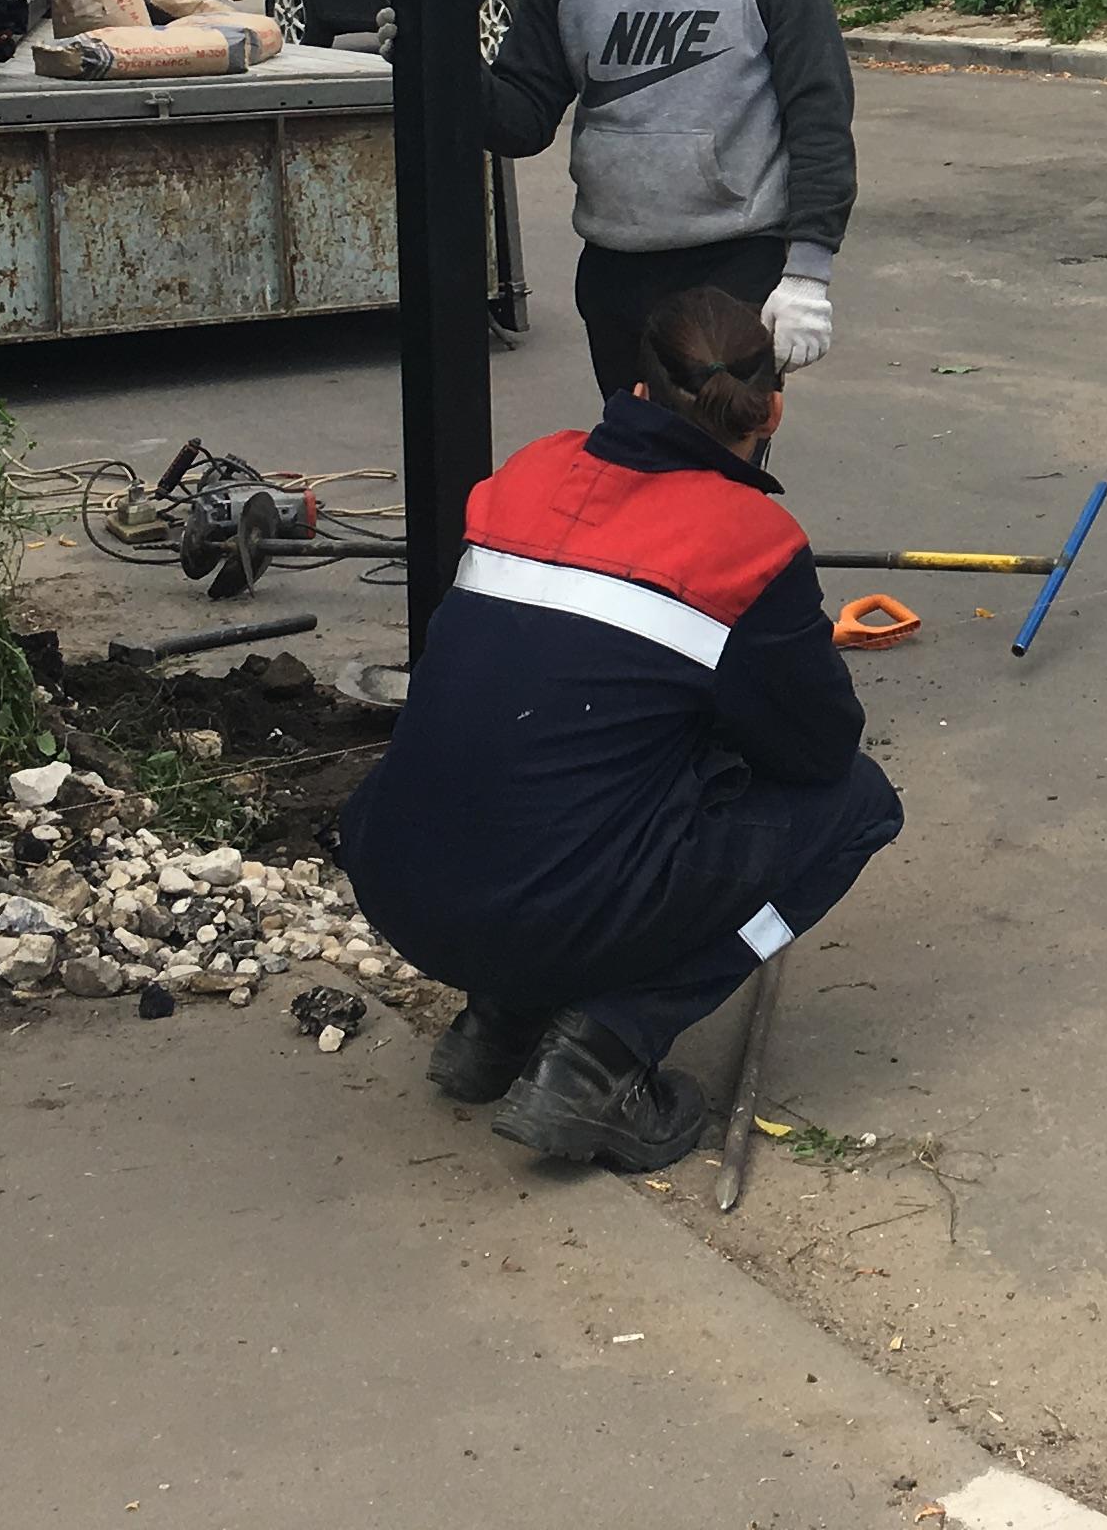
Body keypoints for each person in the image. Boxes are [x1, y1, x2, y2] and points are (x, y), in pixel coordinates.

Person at [335, 287, 906, 1167]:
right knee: (858, 806)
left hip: (399, 880)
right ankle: (603, 1055)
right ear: (774, 409)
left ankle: (502, 1020)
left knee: (573, 764)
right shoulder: (751, 543)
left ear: (637, 394)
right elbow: (819, 749)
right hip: (537, 908)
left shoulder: (527, 473)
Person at [484, 0, 856, 400]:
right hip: (614, 280)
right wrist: (438, 70)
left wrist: (808, 276)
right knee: (635, 478)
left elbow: (820, 126)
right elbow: (520, 121)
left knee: (712, 485)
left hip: (734, 275)